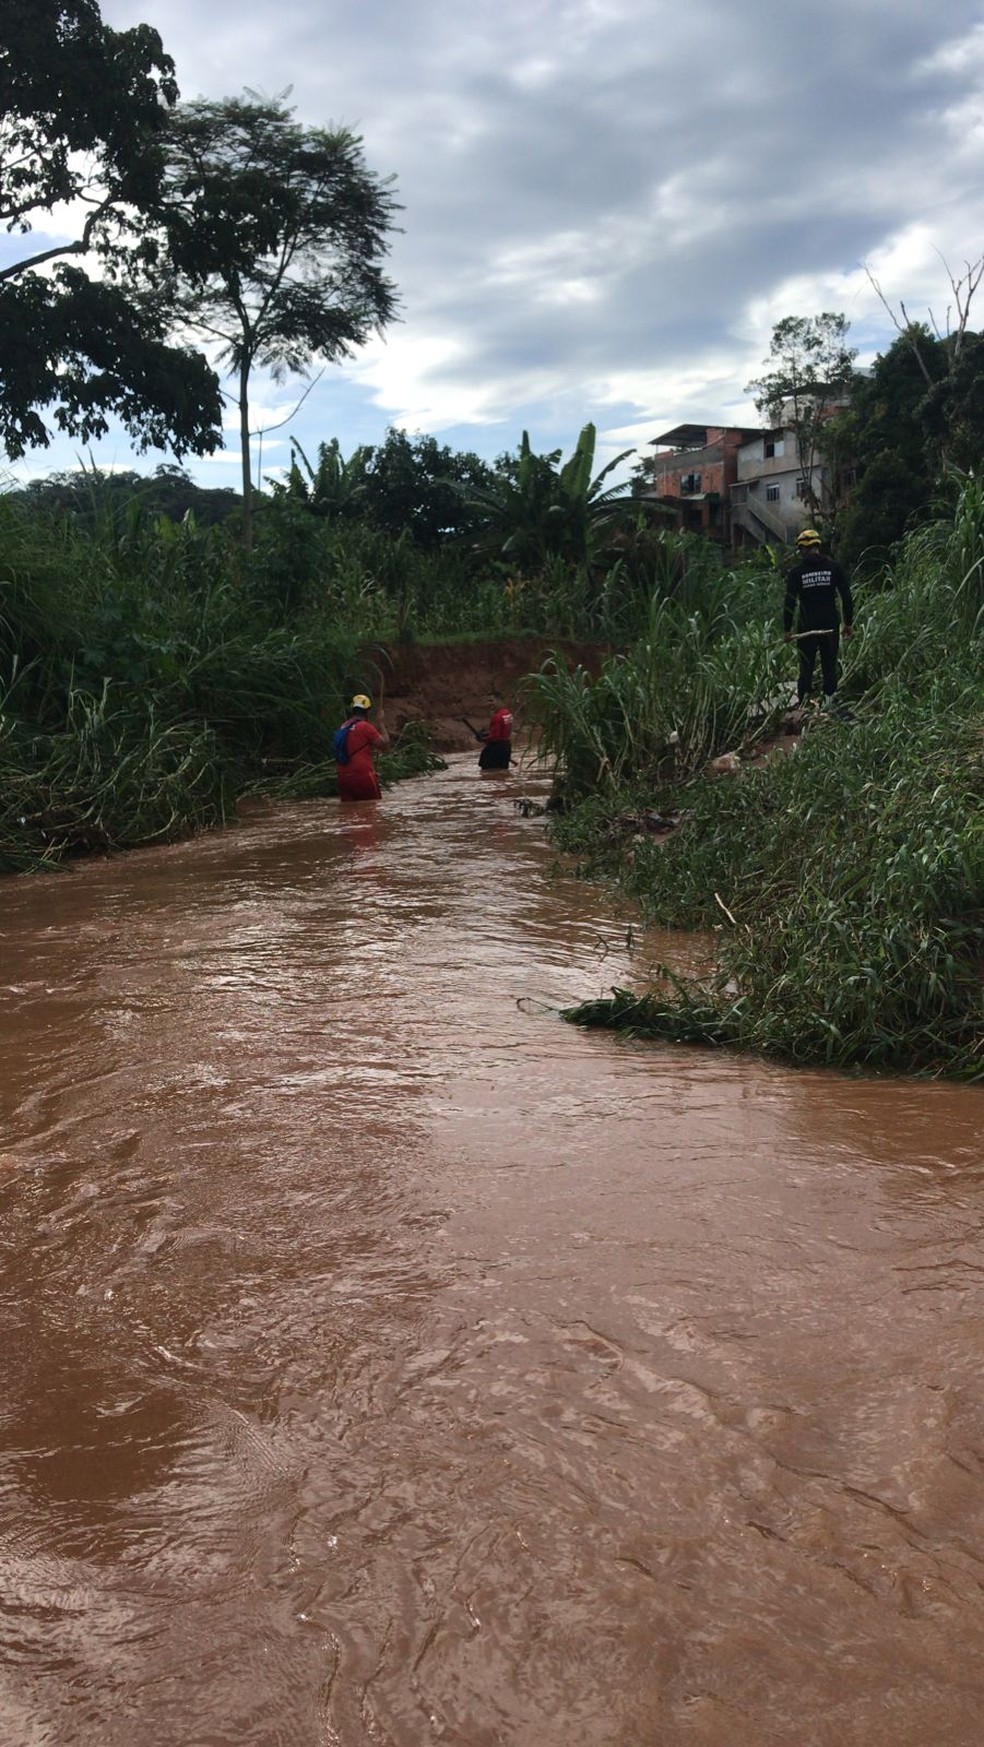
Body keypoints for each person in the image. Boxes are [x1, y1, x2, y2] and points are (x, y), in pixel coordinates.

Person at [783, 528, 854, 711]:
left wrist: (787, 629)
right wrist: (848, 623)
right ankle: (829, 705)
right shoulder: (834, 568)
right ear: (818, 546)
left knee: (805, 668)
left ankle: (804, 707)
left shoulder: (796, 572)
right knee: (829, 666)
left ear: (803, 549)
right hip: (830, 625)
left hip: (806, 626)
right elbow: (846, 596)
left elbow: (789, 602)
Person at [334, 693, 389, 801]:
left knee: (348, 813)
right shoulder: (365, 727)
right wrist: (381, 723)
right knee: (372, 809)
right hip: (363, 775)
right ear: (368, 710)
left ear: (352, 710)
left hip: (343, 776)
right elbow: (384, 745)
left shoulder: (343, 726)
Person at [478, 697, 513, 770]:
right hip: (506, 747)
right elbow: (503, 730)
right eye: (488, 701)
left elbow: (495, 736)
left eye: (492, 701)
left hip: (496, 748)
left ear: (500, 701)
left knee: (489, 772)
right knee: (502, 771)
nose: (489, 704)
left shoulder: (496, 717)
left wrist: (483, 738)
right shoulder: (507, 714)